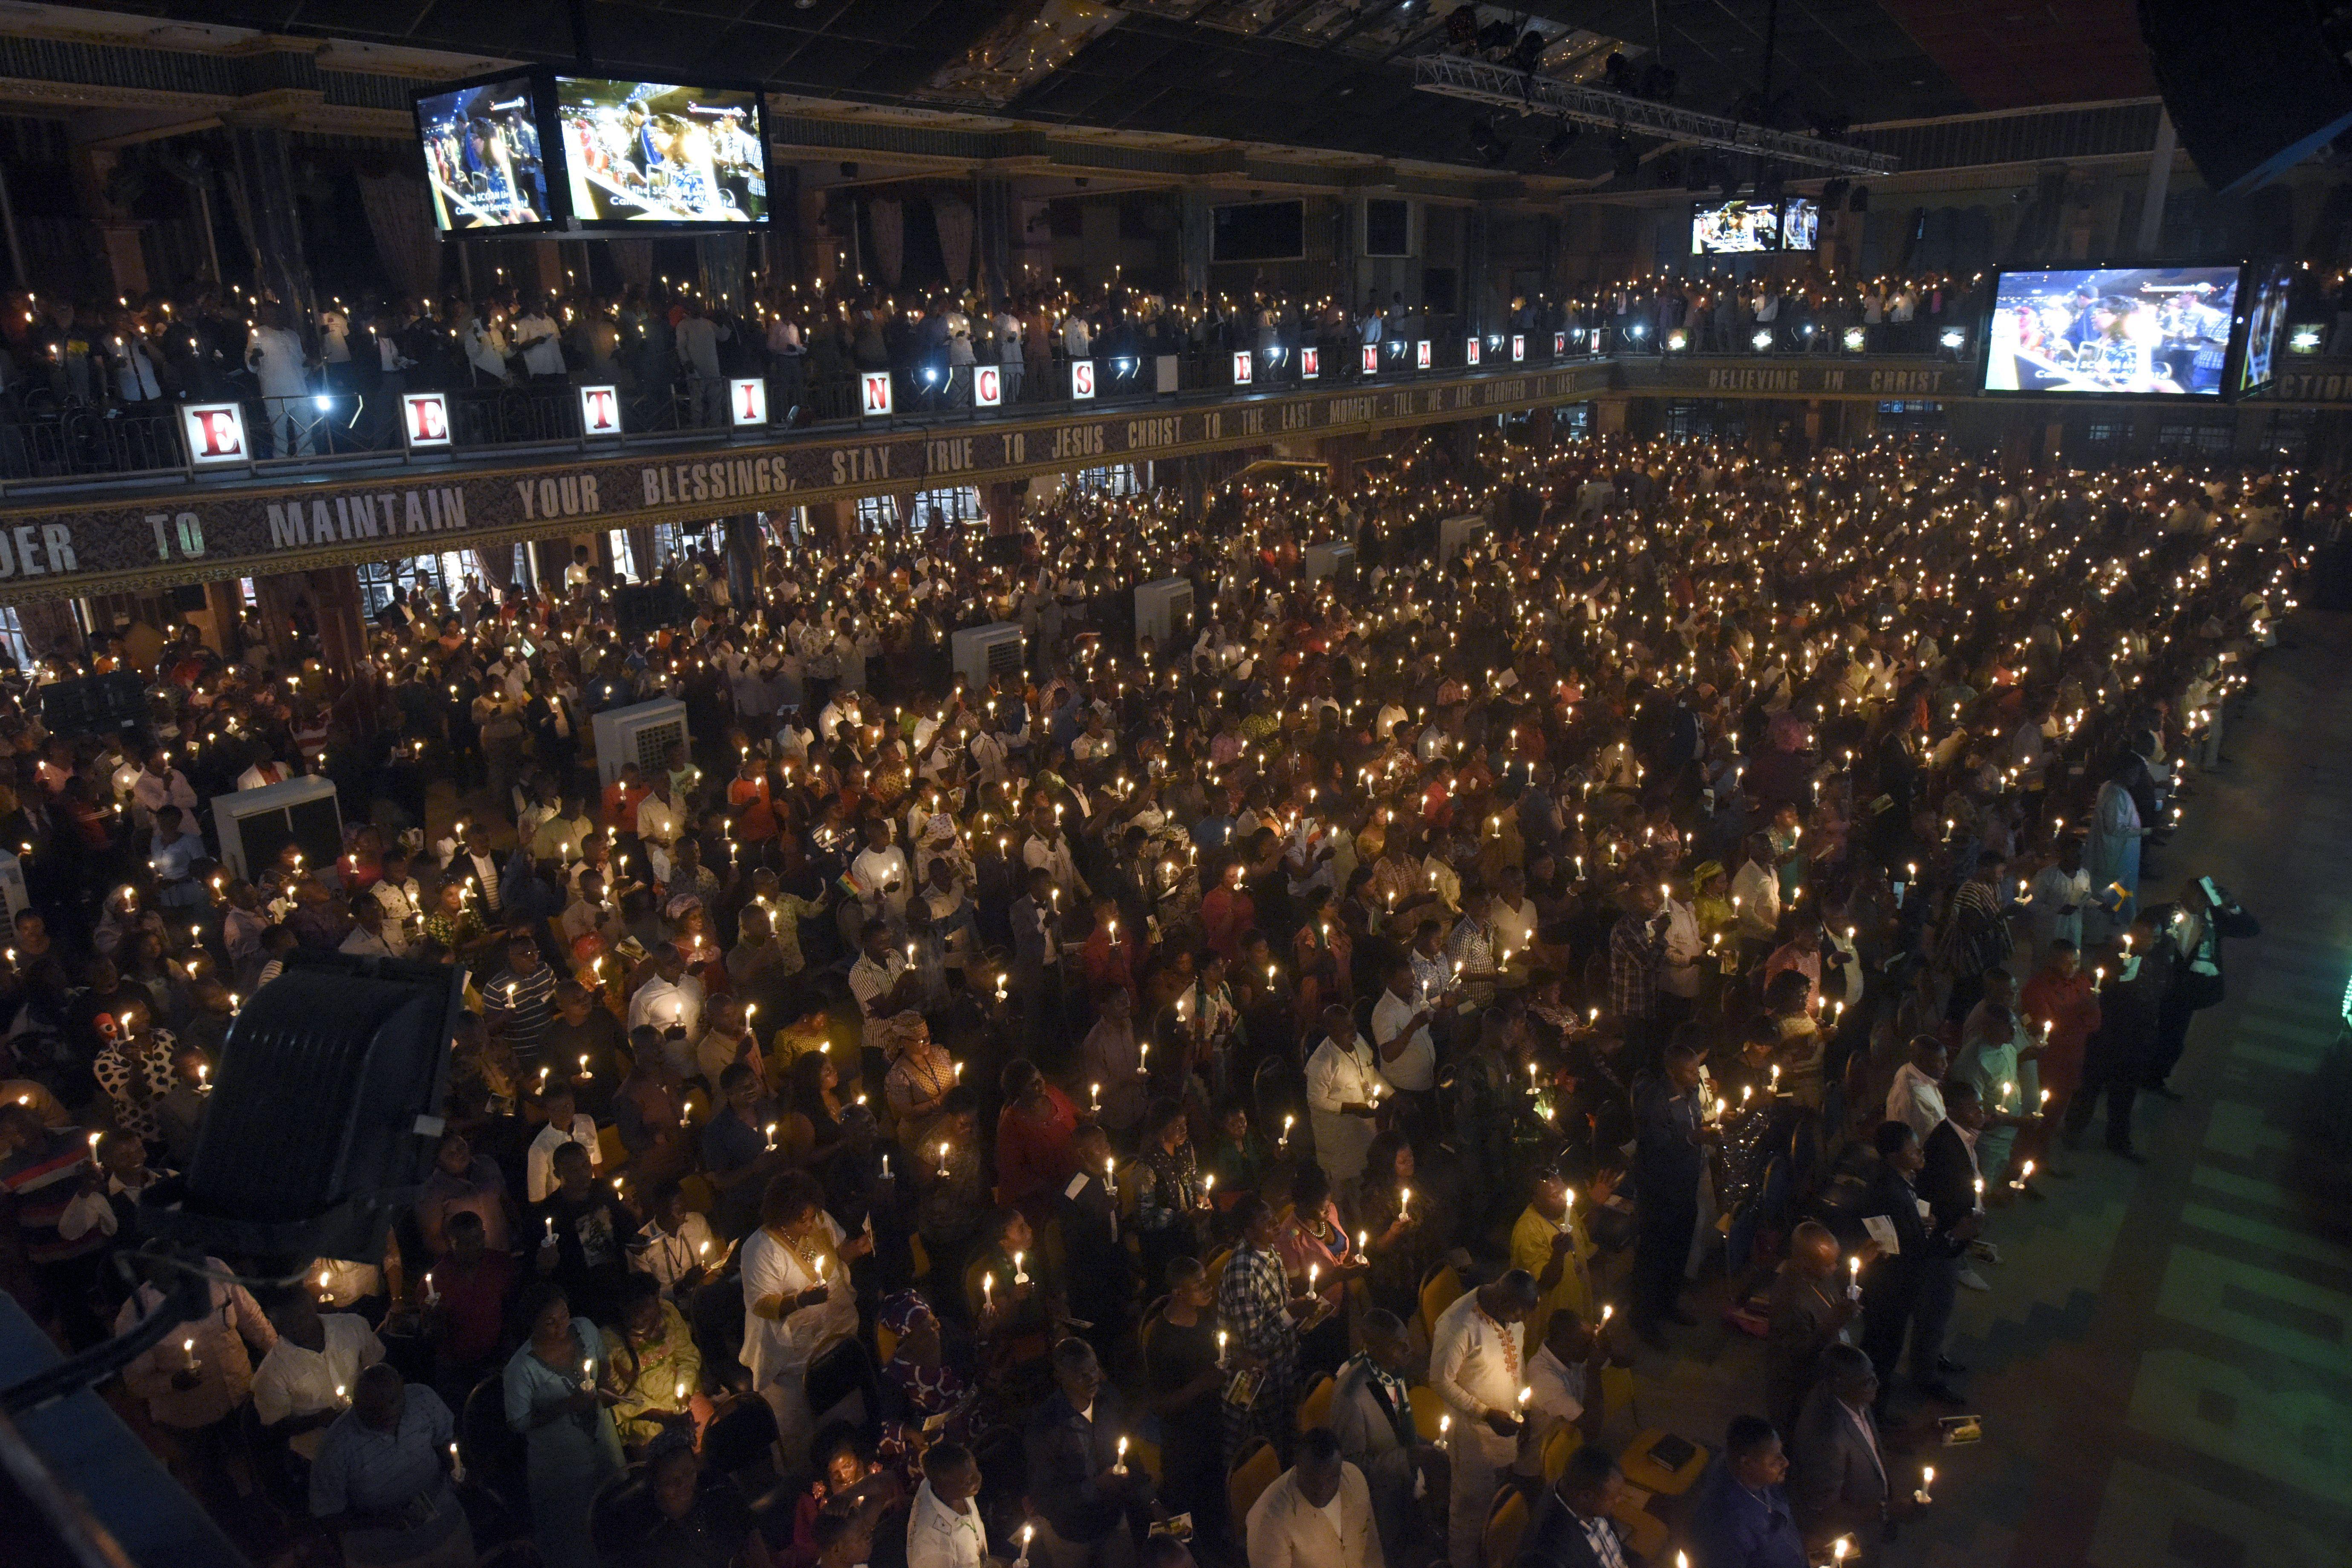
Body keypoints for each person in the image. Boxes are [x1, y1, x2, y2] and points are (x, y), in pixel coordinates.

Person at [740, 1170, 862, 1464]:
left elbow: (837, 1253)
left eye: (812, 1216)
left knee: (845, 1418)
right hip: (793, 1363)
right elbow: (763, 1305)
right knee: (800, 1436)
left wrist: (856, 1249)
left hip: (834, 1340)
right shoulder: (760, 1250)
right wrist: (800, 1301)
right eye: (802, 1220)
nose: (810, 1225)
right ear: (781, 1214)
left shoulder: (818, 1220)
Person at [504, 1283, 626, 1568]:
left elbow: (603, 1360)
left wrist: (607, 1384)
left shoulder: (584, 1328)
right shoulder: (521, 1369)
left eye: (565, 1315)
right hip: (561, 1464)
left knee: (616, 1507)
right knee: (577, 1533)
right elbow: (518, 1422)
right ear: (532, 1325)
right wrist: (565, 1407)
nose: (562, 1326)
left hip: (602, 1441)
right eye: (550, 1322)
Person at [309, 1364, 472, 1568]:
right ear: (355, 1405)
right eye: (373, 1411)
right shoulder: (335, 1448)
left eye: (392, 1403)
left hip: (447, 1531)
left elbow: (445, 1442)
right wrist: (382, 1520)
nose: (383, 1415)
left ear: (403, 1391)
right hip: (385, 1556)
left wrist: (457, 1471)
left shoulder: (422, 1400)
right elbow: (327, 1516)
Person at [1429, 1268, 1540, 1568]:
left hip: (1504, 1429)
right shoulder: (1458, 1325)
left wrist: (1524, 1411)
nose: (1522, 1322)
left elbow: (1516, 1364)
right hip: (1473, 1436)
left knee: (1493, 1502)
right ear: (1504, 1301)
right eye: (1519, 1314)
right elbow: (1440, 1381)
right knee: (1469, 1510)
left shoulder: (1510, 1314)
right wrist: (1486, 1414)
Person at [1024, 1336, 1160, 1568]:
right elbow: (1045, 1498)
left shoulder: (1109, 1400)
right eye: (1081, 1375)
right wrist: (1097, 1486)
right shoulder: (1045, 1426)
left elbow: (1130, 1455)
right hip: (1071, 1535)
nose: (1092, 1379)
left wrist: (1152, 1501)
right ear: (1060, 1378)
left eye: (1094, 1369)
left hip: (1113, 1519)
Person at [1328, 1309, 1441, 1568]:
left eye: (1407, 1342)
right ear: (1375, 1348)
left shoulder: (1393, 1376)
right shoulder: (1352, 1397)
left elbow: (1400, 1429)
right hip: (1378, 1506)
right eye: (1398, 1347)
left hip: (1401, 1485)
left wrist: (1428, 1447)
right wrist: (1410, 1457)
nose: (1409, 1350)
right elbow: (1352, 1468)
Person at [1141, 1256, 1227, 1558]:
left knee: (1217, 1508)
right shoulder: (1163, 1341)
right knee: (1193, 1521)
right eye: (1200, 1285)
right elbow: (1162, 1406)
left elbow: (1216, 1355)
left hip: (1213, 1426)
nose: (1208, 1289)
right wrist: (1203, 1384)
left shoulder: (1203, 1316)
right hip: (1185, 1444)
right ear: (1179, 1293)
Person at [1629, 1041, 1711, 1346]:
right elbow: (1656, 1146)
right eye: (1690, 1071)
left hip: (1685, 1185)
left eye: (1696, 1069)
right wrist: (1694, 1137)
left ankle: (1668, 1303)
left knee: (1679, 1248)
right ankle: (1643, 1317)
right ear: (1672, 1071)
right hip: (1660, 1190)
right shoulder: (1656, 1101)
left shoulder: (1692, 1095)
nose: (1696, 1076)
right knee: (1654, 1254)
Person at [252, 1289, 387, 1461]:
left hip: (373, 1434)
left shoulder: (351, 1326)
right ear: (274, 1322)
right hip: (320, 1454)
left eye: (301, 1317)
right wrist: (322, 1419)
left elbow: (380, 1367)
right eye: (287, 1323)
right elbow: (275, 1427)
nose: (297, 1327)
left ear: (312, 1305)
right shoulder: (271, 1373)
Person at [1787, 1344, 1894, 1553]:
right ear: (1839, 1382)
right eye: (1867, 1382)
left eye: (1874, 1376)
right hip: (1849, 1537)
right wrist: (1887, 1511)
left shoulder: (1853, 1396)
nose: (1876, 1384)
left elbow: (1869, 1443)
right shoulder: (1826, 1438)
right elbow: (1826, 1509)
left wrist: (1920, 1435)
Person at [1762, 1222, 1862, 1436]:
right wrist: (1832, 1324)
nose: (1835, 1268)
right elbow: (1795, 1356)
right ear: (1804, 1261)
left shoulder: (1816, 1275)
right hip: (1797, 1392)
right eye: (1828, 1264)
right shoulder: (1790, 1298)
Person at [1245, 1426, 1384, 1568]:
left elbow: (1371, 1550)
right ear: (1297, 1467)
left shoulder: (1355, 1480)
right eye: (1312, 1480)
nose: (1322, 1489)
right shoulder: (1269, 1521)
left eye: (1331, 1479)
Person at [1683, 1414, 1808, 1568]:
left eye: (1781, 1453)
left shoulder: (1760, 1478)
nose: (1786, 1463)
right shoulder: (1728, 1528)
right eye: (1775, 1461)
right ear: (1748, 1463)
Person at [1513, 1444, 1631, 1568]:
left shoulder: (1586, 1500)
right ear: (1586, 1497)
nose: (1619, 1500)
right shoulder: (1548, 1554)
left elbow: (1615, 1550)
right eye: (1613, 1498)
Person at [907, 1439, 989, 1568]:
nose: (978, 1479)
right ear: (942, 1488)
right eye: (968, 1481)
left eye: (976, 1471)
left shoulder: (956, 1489)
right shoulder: (933, 1550)